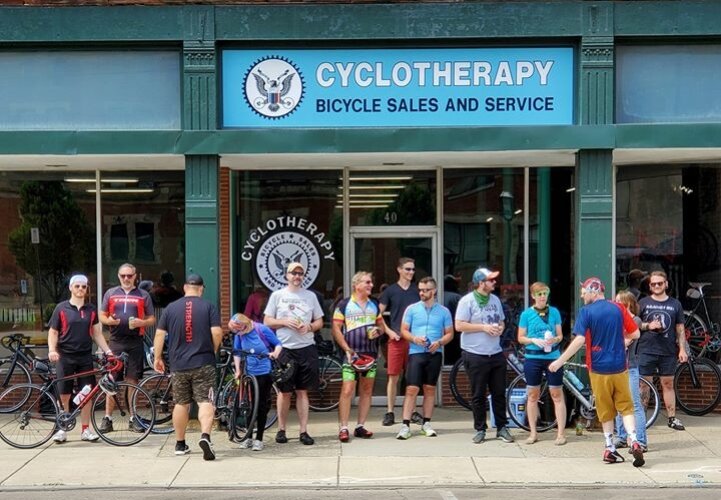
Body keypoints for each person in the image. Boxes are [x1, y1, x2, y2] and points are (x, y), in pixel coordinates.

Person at [549, 277, 645, 467]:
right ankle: (633, 440)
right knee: (626, 407)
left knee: (605, 411)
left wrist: (559, 361)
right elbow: (636, 333)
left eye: (584, 291)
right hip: (620, 367)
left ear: (593, 290)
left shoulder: (586, 312)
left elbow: (578, 341)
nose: (582, 295)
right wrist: (621, 339)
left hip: (598, 369)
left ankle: (610, 448)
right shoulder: (618, 308)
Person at [153, 273, 223, 460]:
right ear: (201, 289)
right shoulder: (208, 306)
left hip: (178, 364)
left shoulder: (170, 308)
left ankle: (180, 443)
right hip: (203, 362)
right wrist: (213, 350)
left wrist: (158, 357)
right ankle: (205, 436)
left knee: (181, 403)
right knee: (205, 401)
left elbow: (159, 335)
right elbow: (217, 332)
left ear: (185, 288)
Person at [47, 274, 114, 443]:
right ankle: (62, 428)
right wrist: (52, 350)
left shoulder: (91, 310)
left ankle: (86, 429)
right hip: (65, 356)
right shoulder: (61, 308)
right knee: (64, 393)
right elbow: (53, 332)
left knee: (87, 393)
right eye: (77, 286)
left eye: (83, 287)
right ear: (70, 288)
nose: (80, 289)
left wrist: (108, 351)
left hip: (84, 356)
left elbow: (97, 334)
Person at [264, 262, 324, 446]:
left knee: (302, 391)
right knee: (284, 392)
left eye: (300, 273)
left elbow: (320, 321)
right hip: (285, 349)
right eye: (294, 273)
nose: (297, 276)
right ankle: (281, 429)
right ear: (286, 275)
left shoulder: (310, 296)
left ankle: (303, 431)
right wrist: (283, 322)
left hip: (306, 348)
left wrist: (310, 327)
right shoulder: (277, 296)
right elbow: (266, 321)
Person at [454, 267, 514, 444]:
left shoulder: (495, 299)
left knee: (499, 392)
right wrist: (484, 328)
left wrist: (500, 328)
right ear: (481, 283)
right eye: (491, 280)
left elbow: (501, 320)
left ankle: (502, 427)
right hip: (475, 354)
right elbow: (459, 325)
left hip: (495, 352)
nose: (494, 282)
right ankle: (480, 429)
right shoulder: (467, 301)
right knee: (478, 394)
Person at [98, 263, 155, 433]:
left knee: (132, 381)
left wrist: (142, 322)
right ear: (118, 276)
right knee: (111, 380)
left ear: (135, 276)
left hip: (135, 341)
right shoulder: (110, 293)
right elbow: (102, 315)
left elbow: (152, 318)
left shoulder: (143, 295)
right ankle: (107, 418)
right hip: (115, 341)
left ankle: (133, 417)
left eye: (129, 276)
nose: (126, 279)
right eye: (123, 276)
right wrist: (109, 321)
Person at [396, 276, 453, 440]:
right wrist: (414, 339)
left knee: (429, 389)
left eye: (426, 290)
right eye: (420, 290)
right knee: (411, 389)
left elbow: (450, 333)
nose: (422, 293)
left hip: (435, 353)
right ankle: (405, 425)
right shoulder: (412, 309)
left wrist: (440, 342)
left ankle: (426, 423)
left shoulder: (443, 311)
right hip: (416, 352)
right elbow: (404, 330)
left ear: (434, 291)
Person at [331, 271, 385, 442]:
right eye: (367, 282)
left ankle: (360, 426)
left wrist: (379, 331)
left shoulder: (374, 304)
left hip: (370, 354)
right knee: (347, 390)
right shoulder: (344, 304)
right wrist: (346, 349)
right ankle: (344, 427)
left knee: (367, 390)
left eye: (371, 282)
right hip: (351, 354)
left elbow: (381, 327)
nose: (371, 285)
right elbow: (336, 329)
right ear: (357, 285)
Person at [636, 270, 688, 431]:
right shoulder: (642, 303)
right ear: (650, 286)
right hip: (646, 349)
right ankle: (641, 420)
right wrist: (648, 326)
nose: (657, 286)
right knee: (644, 385)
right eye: (653, 284)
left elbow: (680, 329)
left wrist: (682, 349)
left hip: (668, 351)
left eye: (660, 283)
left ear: (666, 284)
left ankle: (672, 418)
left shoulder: (675, 304)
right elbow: (633, 324)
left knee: (668, 384)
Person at [516, 281, 566, 446]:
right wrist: (533, 340)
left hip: (552, 356)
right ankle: (533, 432)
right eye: (539, 294)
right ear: (533, 296)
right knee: (532, 395)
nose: (543, 296)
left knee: (556, 394)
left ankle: (560, 433)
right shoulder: (526, 314)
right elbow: (520, 337)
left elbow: (560, 335)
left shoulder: (554, 312)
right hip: (533, 357)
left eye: (545, 293)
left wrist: (555, 339)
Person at [228, 313, 283, 452]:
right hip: (249, 373)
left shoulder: (261, 329)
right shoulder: (239, 335)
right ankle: (248, 437)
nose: (237, 333)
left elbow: (278, 344)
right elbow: (237, 352)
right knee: (248, 406)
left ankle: (259, 438)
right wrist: (238, 370)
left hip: (264, 371)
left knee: (262, 406)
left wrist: (275, 354)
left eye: (238, 329)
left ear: (245, 325)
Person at [379, 257, 420, 427]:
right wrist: (388, 332)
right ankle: (390, 411)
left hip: (414, 340)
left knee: (413, 377)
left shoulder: (417, 291)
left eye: (412, 269)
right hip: (396, 339)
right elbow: (377, 314)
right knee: (393, 376)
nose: (411, 272)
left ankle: (413, 411)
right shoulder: (390, 291)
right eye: (408, 269)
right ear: (399, 270)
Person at [614, 290, 647, 452]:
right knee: (619, 404)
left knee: (634, 404)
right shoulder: (616, 320)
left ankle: (640, 441)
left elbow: (625, 342)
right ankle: (621, 436)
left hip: (630, 367)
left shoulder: (636, 320)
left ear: (626, 303)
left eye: (618, 302)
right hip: (617, 367)